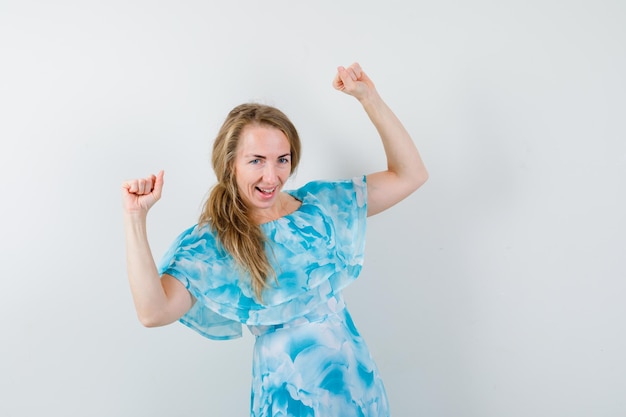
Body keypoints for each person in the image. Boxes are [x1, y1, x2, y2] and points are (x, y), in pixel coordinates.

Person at [121, 62, 428, 417]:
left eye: (282, 160)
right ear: (230, 164)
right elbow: (153, 312)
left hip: (359, 394)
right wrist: (135, 219)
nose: (272, 175)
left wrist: (368, 98)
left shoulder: (320, 208)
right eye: (256, 161)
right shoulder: (212, 244)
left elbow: (410, 175)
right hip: (289, 402)